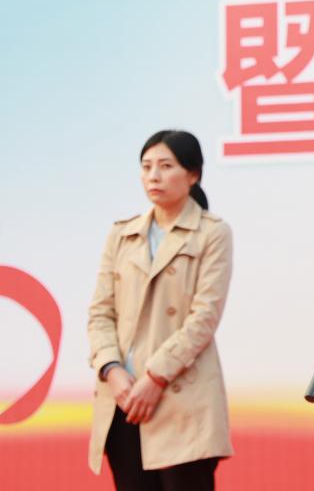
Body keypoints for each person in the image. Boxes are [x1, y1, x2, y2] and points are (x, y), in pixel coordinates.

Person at [87, 130, 233, 490]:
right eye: (146, 166)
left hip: (182, 399)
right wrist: (112, 370)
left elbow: (204, 318)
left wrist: (154, 379)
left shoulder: (212, 233)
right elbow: (100, 312)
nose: (153, 176)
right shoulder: (122, 234)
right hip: (123, 400)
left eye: (166, 166)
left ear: (193, 174)